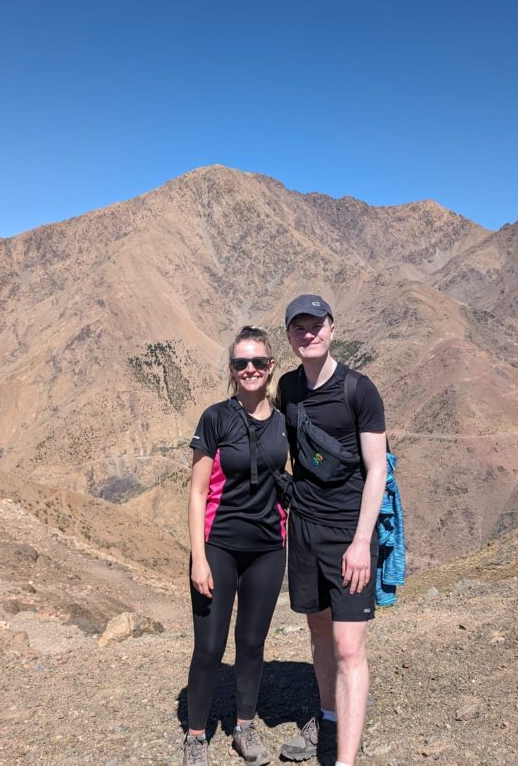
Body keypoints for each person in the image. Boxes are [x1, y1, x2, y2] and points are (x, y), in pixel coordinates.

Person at [276, 295, 387, 766]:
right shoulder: (287, 388)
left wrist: (362, 542)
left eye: (316, 325)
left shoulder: (359, 390)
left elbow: (376, 468)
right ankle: (328, 718)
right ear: (289, 336)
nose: (309, 334)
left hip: (348, 532)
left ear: (333, 328)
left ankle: (344, 762)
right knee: (319, 633)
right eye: (299, 327)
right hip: (304, 529)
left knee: (348, 645)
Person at [183, 326, 290, 766]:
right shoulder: (215, 418)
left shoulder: (286, 421)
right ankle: (194, 736)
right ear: (231, 370)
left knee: (251, 643)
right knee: (209, 647)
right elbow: (196, 491)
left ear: (271, 367)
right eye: (240, 363)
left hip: (268, 549)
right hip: (219, 547)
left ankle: (244, 728)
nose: (250, 369)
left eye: (258, 362)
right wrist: (199, 558)